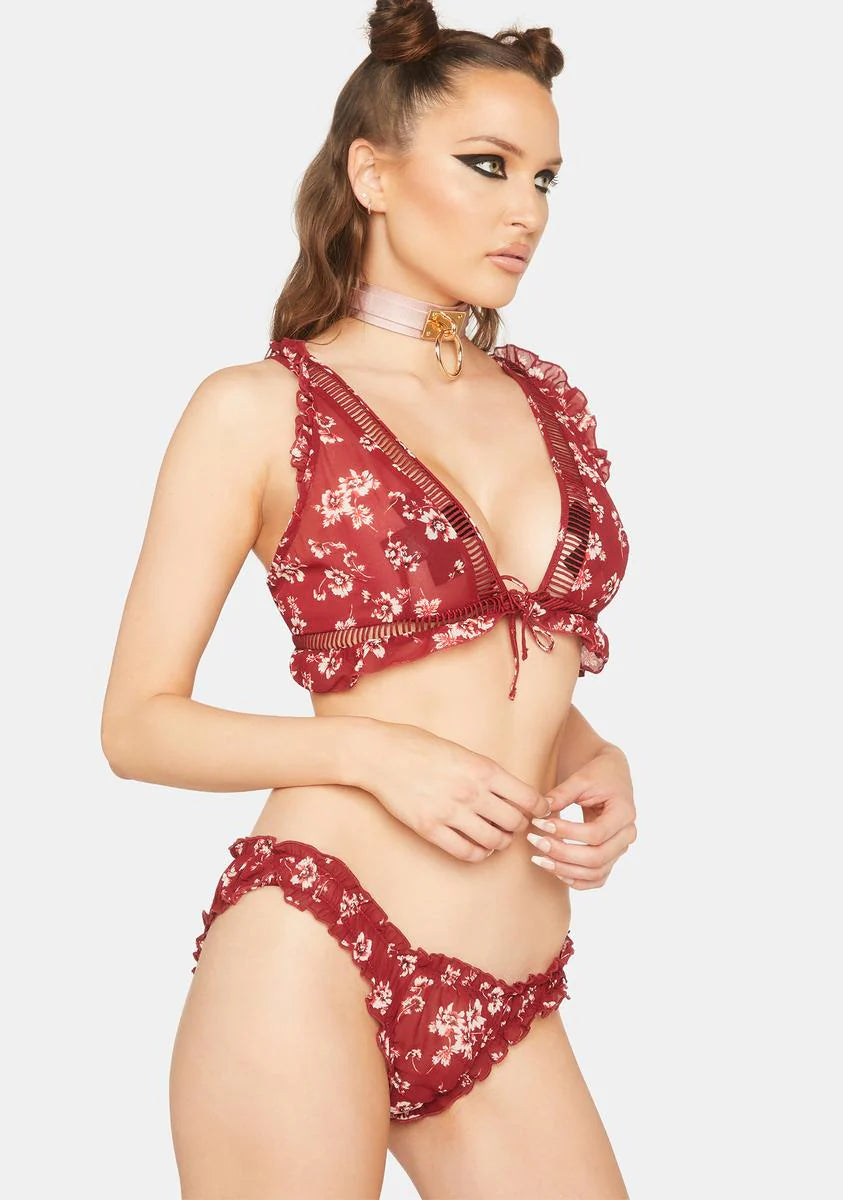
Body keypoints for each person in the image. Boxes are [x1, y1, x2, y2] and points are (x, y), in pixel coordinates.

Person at [101, 1, 636, 1195]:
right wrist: (373, 755)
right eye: (488, 166)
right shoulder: (257, 409)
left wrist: (596, 758)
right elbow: (136, 726)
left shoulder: (541, 401)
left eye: (546, 178)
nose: (527, 210)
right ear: (372, 173)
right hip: (315, 939)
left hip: (506, 988)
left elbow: (504, 664)